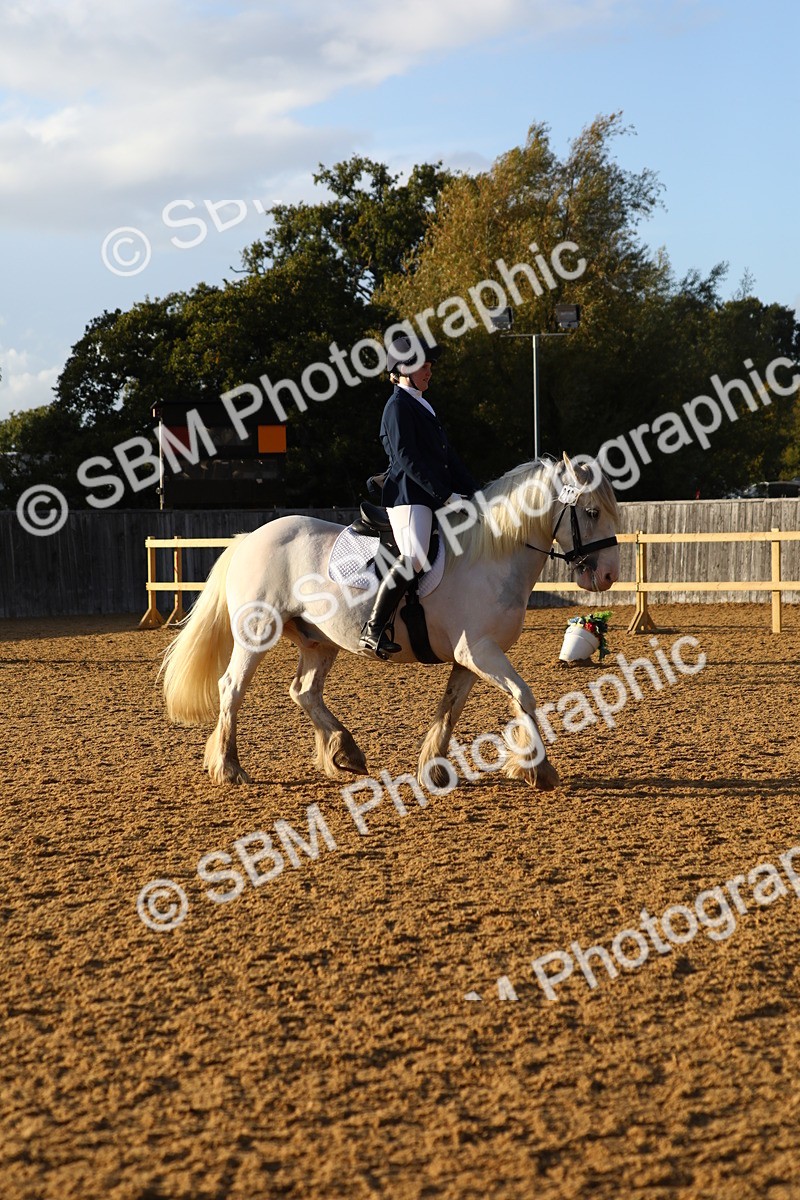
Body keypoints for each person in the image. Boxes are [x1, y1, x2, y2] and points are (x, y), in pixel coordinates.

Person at [359, 335, 478, 657]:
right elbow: (406, 458)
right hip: (409, 498)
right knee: (414, 558)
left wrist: (478, 493)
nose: (429, 371)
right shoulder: (397, 406)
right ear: (402, 369)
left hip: (431, 496)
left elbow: (447, 458)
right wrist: (445, 494)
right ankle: (372, 629)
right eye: (423, 366)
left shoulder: (421, 403)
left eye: (430, 366)